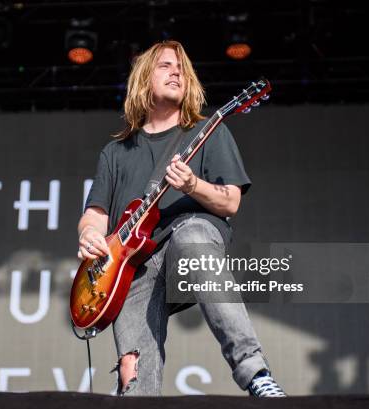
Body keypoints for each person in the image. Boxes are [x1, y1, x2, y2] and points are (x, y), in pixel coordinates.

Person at [76, 40, 286, 398]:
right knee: (133, 371)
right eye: (166, 66)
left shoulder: (210, 130)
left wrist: (193, 185)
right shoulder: (116, 151)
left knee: (192, 237)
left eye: (181, 68)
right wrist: (90, 235)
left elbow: (231, 201)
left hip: (191, 243)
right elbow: (95, 213)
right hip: (133, 265)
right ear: (143, 80)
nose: (177, 72)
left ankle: (256, 375)